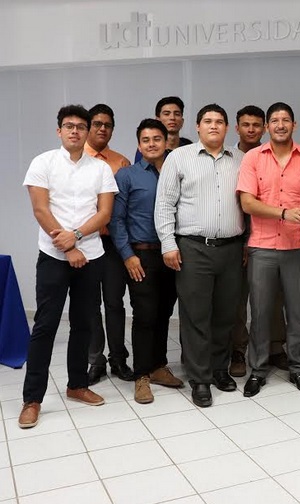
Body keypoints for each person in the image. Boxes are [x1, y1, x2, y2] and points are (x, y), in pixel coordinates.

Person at [19, 105, 118, 429]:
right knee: (45, 325)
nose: (75, 131)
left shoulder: (100, 169)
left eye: (80, 126)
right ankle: (32, 399)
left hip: (91, 256)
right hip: (53, 255)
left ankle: (77, 385)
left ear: (87, 132)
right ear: (59, 130)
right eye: (69, 126)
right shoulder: (43, 162)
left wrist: (75, 238)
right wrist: (68, 246)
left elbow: (104, 213)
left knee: (84, 323)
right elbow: (40, 209)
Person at [154, 103, 245, 408]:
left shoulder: (241, 160)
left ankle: (219, 369)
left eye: (219, 121)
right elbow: (164, 204)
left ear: (227, 127)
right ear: (197, 126)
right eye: (208, 121)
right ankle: (200, 378)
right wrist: (168, 244)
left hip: (231, 248)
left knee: (225, 314)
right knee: (195, 316)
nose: (214, 125)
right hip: (193, 248)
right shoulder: (179, 157)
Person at [238, 102, 300, 397]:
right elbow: (247, 203)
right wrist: (284, 213)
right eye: (274, 120)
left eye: (286, 120)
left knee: (297, 312)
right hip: (262, 246)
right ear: (267, 127)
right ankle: (258, 370)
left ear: (294, 125)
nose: (280, 125)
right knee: (260, 312)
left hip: (297, 246)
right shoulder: (253, 158)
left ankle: (298, 368)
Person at [109, 119, 184, 404]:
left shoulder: (178, 172)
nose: (152, 144)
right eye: (146, 140)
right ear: (139, 145)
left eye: (156, 139)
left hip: (173, 253)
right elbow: (116, 220)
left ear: (167, 142)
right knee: (145, 314)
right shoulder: (127, 175)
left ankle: (158, 366)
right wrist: (128, 255)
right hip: (142, 255)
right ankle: (141, 375)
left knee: (165, 312)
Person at [229, 105, 290, 376]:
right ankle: (238, 350)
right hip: (236, 239)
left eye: (256, 125)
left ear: (264, 128)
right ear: (237, 128)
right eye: (246, 125)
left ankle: (275, 348)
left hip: (268, 238)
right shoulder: (229, 158)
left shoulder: (273, 156)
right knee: (238, 299)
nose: (251, 129)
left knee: (273, 298)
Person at [84, 103, 135, 385]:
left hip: (113, 245)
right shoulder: (77, 160)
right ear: (88, 126)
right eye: (97, 124)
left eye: (108, 125)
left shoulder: (121, 163)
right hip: (86, 242)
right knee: (90, 304)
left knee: (114, 303)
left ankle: (118, 358)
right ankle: (96, 360)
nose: (102, 129)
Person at [134, 96, 193, 162]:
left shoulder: (189, 147)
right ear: (157, 120)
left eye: (177, 114)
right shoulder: (149, 148)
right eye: (166, 114)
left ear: (182, 121)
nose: (172, 118)